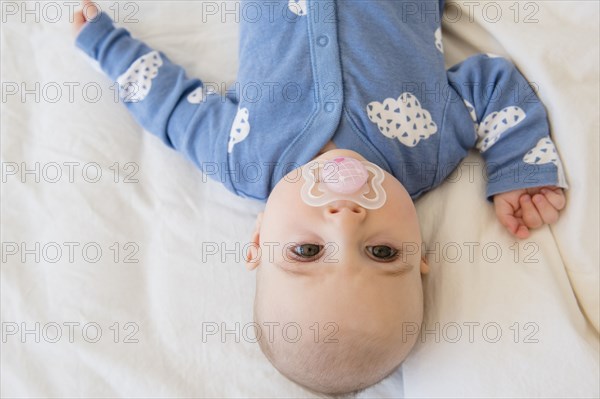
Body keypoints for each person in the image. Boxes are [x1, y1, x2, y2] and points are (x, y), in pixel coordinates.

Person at [72, 0, 567, 394]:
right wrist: (519, 166)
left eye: (306, 251)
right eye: (382, 252)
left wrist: (107, 46)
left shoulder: (242, 158)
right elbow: (493, 84)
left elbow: (171, 107)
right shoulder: (430, 147)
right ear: (419, 252)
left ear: (259, 238)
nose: (346, 220)